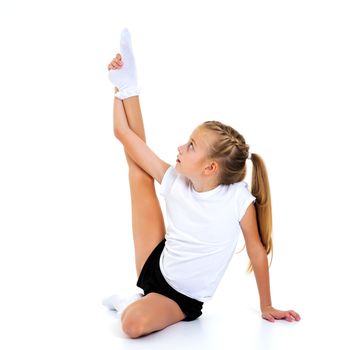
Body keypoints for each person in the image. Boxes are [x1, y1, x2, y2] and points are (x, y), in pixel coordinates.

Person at [103, 28, 301, 339]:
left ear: (210, 167)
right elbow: (123, 135)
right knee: (138, 170)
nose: (181, 147)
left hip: (180, 299)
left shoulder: (237, 198)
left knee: (132, 326)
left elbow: (256, 251)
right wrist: (119, 89)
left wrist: (267, 305)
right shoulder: (177, 180)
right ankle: (132, 84)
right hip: (155, 260)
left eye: (191, 145)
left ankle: (130, 301)